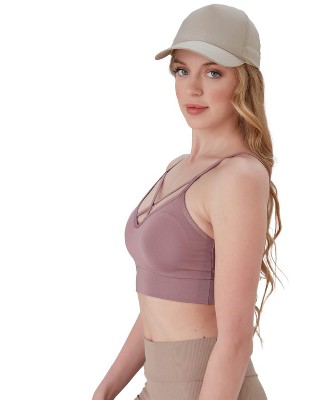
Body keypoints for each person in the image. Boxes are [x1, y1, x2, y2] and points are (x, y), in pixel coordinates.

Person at [92, 4, 282, 400]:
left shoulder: (239, 177)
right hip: (158, 388)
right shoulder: (178, 167)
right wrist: (106, 390)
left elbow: (235, 340)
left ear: (243, 82)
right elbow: (159, 306)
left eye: (213, 73)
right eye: (182, 71)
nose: (192, 88)